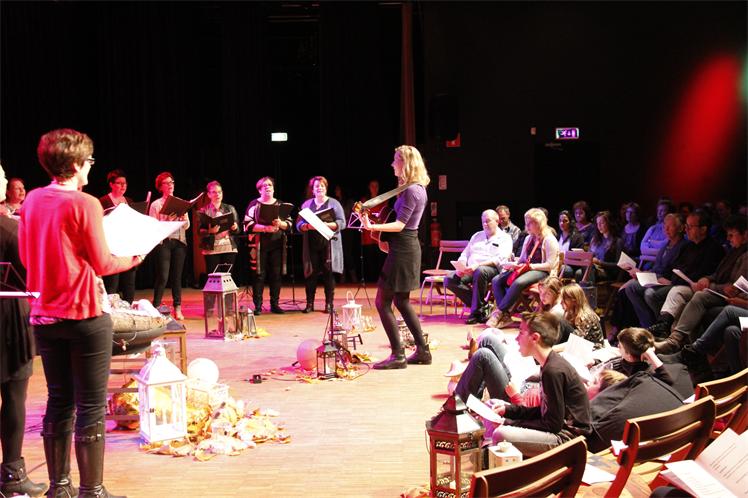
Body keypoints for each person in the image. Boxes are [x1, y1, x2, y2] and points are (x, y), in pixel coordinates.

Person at [19, 128, 143, 498]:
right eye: (89, 160)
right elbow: (103, 263)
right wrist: (134, 257)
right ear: (75, 164)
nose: (91, 166)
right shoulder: (85, 203)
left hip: (44, 315)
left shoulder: (32, 200)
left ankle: (59, 489)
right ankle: (92, 490)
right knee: (89, 406)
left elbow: (26, 256)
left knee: (59, 401)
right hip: (84, 313)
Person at [0, 164, 47, 497]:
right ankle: (12, 476)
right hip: (8, 319)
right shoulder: (9, 230)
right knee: (14, 396)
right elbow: (34, 276)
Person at [361, 145, 430, 369]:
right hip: (404, 246)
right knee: (401, 301)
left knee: (382, 302)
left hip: (404, 249)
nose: (392, 164)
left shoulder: (411, 190)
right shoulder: (413, 188)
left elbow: (400, 225)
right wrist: (378, 229)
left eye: (395, 160)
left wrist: (372, 226)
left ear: (405, 163)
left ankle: (398, 355)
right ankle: (422, 351)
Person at [489, 312, 591, 458]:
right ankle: (488, 451)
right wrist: (508, 410)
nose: (516, 339)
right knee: (493, 404)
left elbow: (552, 425)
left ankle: (492, 458)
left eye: (521, 333)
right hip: (558, 430)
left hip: (568, 440)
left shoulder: (553, 371)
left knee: (501, 434)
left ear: (535, 338)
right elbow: (545, 412)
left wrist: (509, 423)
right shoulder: (549, 364)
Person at [654, 214, 747, 354]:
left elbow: (735, 287)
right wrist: (707, 278)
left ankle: (683, 346)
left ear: (745, 234)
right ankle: (672, 337)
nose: (728, 239)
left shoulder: (741, 254)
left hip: (732, 297)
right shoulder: (734, 251)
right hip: (720, 291)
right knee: (674, 294)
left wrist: (710, 285)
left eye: (731, 235)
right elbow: (719, 273)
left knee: (699, 298)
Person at [488, 208, 560, 329]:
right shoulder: (528, 238)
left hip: (543, 272)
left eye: (530, 223)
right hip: (527, 269)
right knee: (496, 280)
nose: (526, 226)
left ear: (539, 223)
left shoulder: (549, 239)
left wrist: (531, 266)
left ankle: (499, 312)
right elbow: (522, 259)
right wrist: (513, 265)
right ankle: (506, 316)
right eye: (526, 222)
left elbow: (550, 265)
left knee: (518, 282)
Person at [443, 209, 512, 324]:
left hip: (492, 269)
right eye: (483, 221)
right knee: (449, 279)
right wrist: (461, 266)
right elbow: (465, 253)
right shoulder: (476, 236)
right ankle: (482, 307)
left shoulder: (505, 238)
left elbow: (500, 259)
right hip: (471, 268)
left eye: (488, 221)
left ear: (497, 221)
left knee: (480, 271)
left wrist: (478, 265)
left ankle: (475, 313)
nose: (485, 224)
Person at [296, 176, 346, 313]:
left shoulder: (334, 203)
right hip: (311, 244)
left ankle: (329, 304)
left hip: (328, 244)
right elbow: (298, 224)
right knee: (310, 274)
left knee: (328, 274)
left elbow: (342, 223)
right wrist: (307, 226)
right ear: (312, 190)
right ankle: (309, 304)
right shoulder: (307, 204)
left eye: (322, 186)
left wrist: (328, 224)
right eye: (317, 186)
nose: (320, 188)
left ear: (326, 188)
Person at [244, 176, 292, 315]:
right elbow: (247, 224)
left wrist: (280, 224)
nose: (268, 187)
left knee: (276, 274)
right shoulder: (254, 204)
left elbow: (289, 224)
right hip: (259, 245)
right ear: (260, 190)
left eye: (270, 185)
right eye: (264, 186)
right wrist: (265, 228)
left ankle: (274, 304)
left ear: (273, 188)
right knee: (259, 275)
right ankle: (258, 305)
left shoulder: (281, 204)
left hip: (277, 244)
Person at [149, 172, 190, 320]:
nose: (170, 185)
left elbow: (187, 226)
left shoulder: (181, 202)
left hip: (179, 241)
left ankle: (177, 307)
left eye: (172, 182)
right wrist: (168, 220)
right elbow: (153, 226)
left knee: (177, 277)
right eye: (166, 183)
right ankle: (155, 306)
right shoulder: (156, 204)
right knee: (163, 276)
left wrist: (184, 219)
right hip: (164, 243)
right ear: (160, 187)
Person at [99, 169, 137, 303]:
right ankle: (111, 310)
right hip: (112, 247)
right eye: (119, 183)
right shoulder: (103, 201)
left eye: (124, 183)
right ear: (111, 184)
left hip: (128, 246)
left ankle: (129, 309)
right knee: (112, 283)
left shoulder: (129, 201)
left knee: (129, 282)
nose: (123, 186)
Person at [198, 180, 239, 275]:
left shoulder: (230, 208)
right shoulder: (203, 210)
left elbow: (238, 230)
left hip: (228, 247)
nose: (217, 194)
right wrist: (209, 231)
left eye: (219, 192)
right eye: (214, 192)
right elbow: (199, 231)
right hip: (211, 248)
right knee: (213, 278)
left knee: (227, 277)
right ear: (209, 195)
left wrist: (235, 228)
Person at [557, 283, 604, 347]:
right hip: (580, 346)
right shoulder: (569, 313)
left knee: (562, 323)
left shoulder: (586, 316)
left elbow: (575, 341)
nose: (561, 302)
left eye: (564, 299)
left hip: (593, 348)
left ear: (574, 300)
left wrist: (553, 349)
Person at [589, 211, 623, 283]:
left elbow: (618, 265)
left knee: (590, 269)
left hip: (608, 272)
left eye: (601, 223)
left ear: (609, 223)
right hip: (595, 268)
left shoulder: (617, 241)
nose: (599, 226)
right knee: (580, 272)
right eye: (597, 223)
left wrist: (599, 262)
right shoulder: (595, 239)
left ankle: (589, 289)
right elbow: (589, 255)